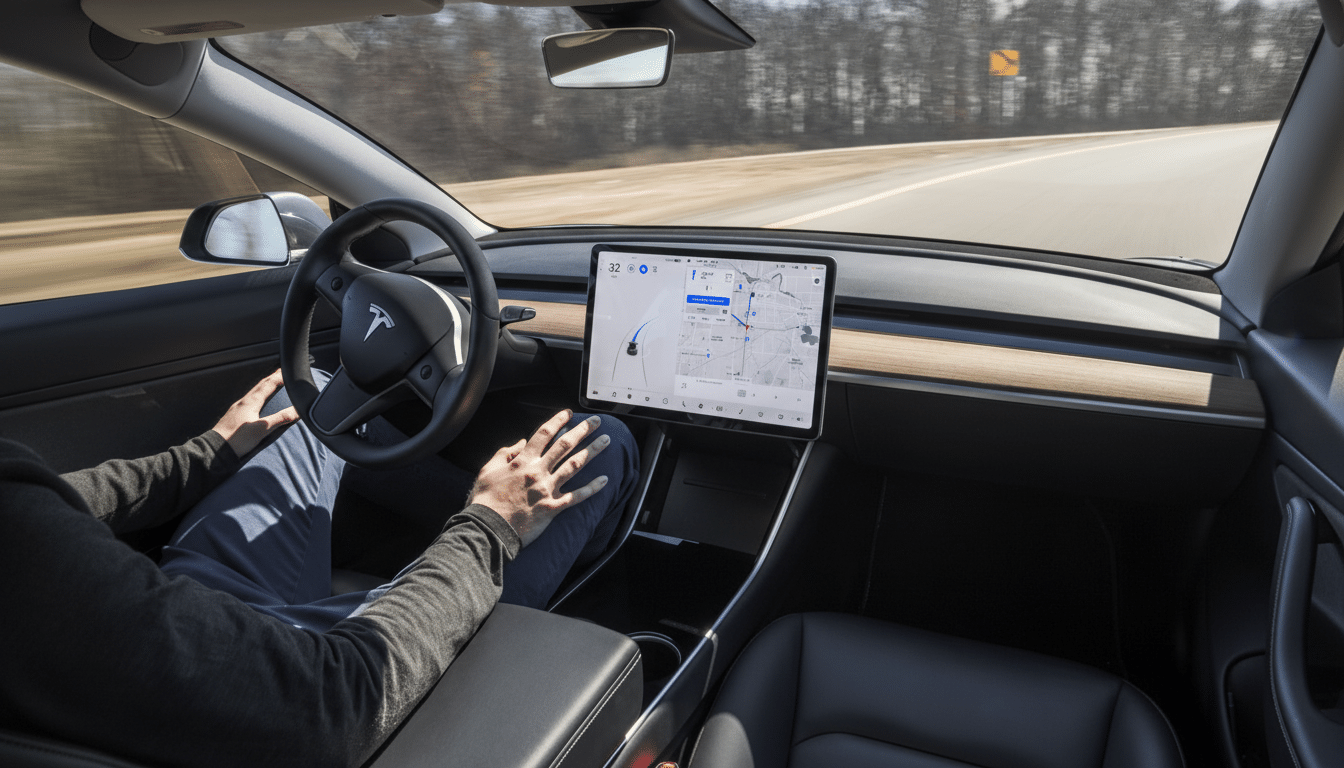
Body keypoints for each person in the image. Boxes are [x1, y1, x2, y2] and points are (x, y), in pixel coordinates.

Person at [0, 370, 638, 768]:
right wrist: (489, 525)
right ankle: (503, 560)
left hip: (182, 609)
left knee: (303, 399)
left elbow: (40, 499)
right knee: (602, 439)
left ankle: (475, 525)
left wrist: (199, 459)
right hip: (308, 675)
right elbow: (338, 700)